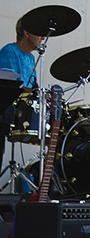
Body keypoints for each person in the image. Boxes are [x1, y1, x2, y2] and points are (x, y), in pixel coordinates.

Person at [0, 18, 42, 167]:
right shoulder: (9, 51)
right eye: (39, 34)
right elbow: (9, 86)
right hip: (5, 113)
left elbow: (32, 88)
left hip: (19, 114)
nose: (43, 37)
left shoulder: (31, 58)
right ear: (26, 32)